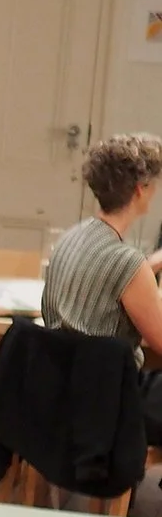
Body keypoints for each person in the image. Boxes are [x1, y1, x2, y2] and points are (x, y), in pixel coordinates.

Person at [41, 132, 162, 438]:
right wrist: (145, 270)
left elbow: (108, 273)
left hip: (59, 392)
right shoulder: (128, 263)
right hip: (107, 403)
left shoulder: (72, 237)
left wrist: (151, 264)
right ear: (140, 190)